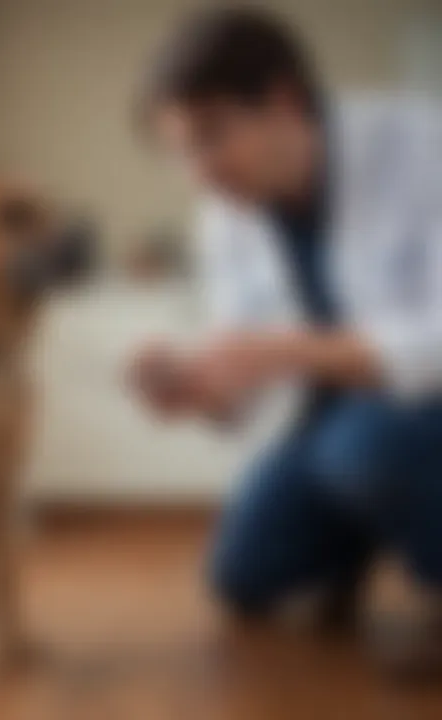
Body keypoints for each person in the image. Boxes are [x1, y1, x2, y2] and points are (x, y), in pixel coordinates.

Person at [129, 6, 442, 671]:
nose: (199, 172)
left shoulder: (423, 146)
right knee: (245, 575)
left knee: (364, 445)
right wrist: (198, 390)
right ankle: (369, 534)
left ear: (284, 99)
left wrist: (280, 351)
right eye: (181, 149)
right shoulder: (229, 211)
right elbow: (246, 387)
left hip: (411, 416)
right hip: (331, 426)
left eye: (212, 137)